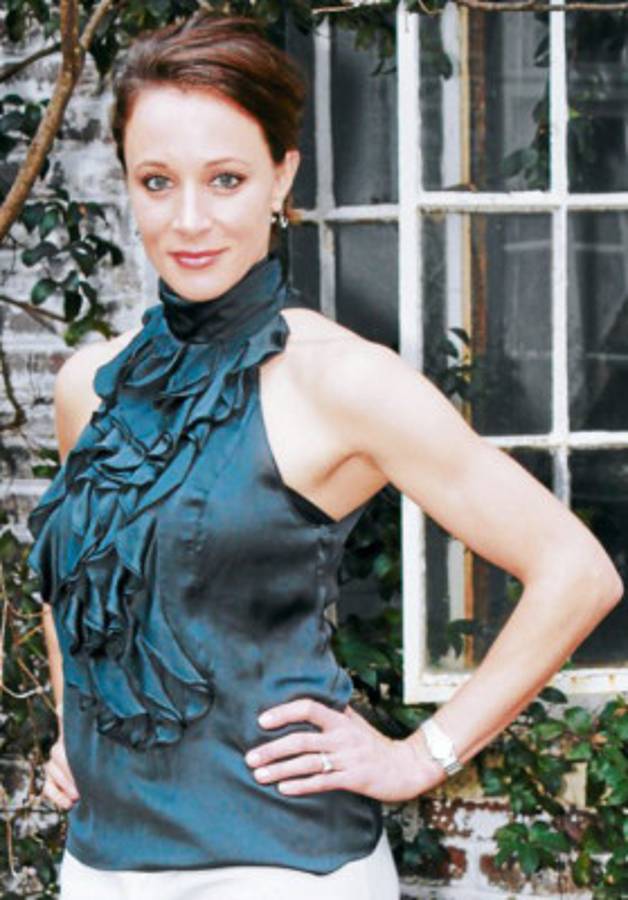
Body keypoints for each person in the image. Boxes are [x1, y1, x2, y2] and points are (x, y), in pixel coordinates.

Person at [26, 11, 622, 900]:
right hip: (101, 863)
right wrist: (72, 725)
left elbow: (575, 572)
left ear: (282, 178)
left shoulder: (344, 379)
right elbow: (73, 580)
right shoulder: (89, 384)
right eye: (157, 181)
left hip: (284, 868)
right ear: (128, 185)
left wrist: (422, 755)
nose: (189, 219)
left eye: (226, 179)